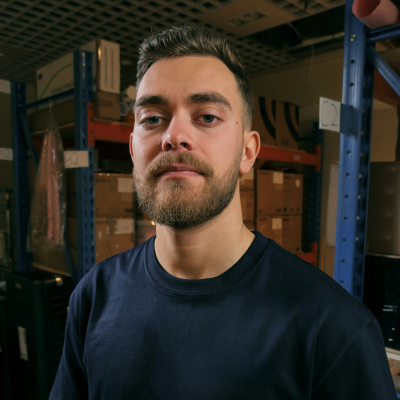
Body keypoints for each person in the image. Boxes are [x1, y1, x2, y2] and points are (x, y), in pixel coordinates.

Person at [50, 26, 397, 399]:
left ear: (247, 152)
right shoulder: (95, 297)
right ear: (134, 150)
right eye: (152, 118)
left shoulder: (334, 329)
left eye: (207, 117)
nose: (174, 136)